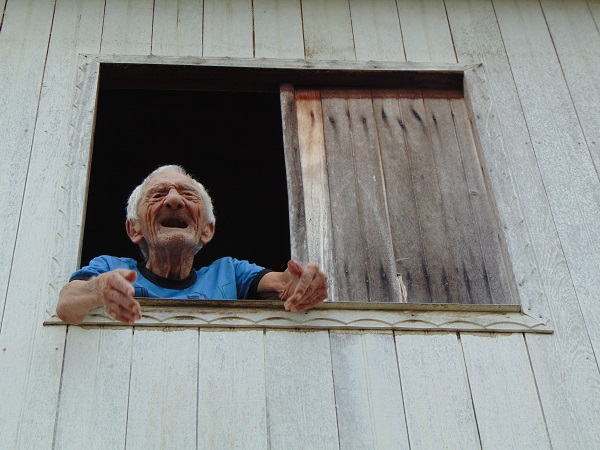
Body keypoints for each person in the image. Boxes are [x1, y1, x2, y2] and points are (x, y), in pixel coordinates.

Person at [57, 165, 328, 325]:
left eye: (188, 194)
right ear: (134, 228)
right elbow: (66, 304)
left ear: (207, 230)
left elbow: (283, 283)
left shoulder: (229, 274)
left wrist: (301, 283)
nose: (174, 201)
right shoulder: (110, 268)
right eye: (158, 194)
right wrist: (98, 289)